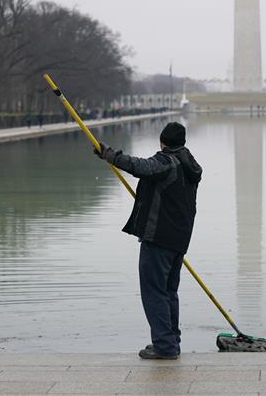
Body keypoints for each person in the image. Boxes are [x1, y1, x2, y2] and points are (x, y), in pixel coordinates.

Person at [94, 121, 202, 360]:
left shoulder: (167, 162)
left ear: (162, 142)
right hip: (179, 239)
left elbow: (141, 167)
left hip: (159, 237)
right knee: (169, 291)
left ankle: (164, 346)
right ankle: (172, 341)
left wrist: (110, 156)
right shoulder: (189, 165)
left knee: (154, 292)